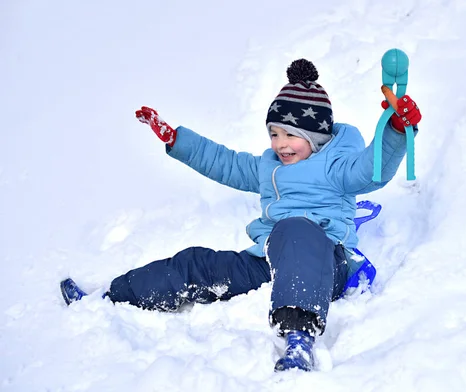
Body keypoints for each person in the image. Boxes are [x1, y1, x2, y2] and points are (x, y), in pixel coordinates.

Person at [60, 59, 421, 372]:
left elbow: (371, 171)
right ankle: (113, 298)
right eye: (274, 133)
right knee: (196, 263)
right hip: (270, 261)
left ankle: (299, 337)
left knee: (295, 228)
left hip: (324, 262)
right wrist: (176, 140)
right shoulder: (270, 166)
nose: (280, 143)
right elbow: (225, 163)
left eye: (291, 134)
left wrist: (395, 131)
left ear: (317, 135)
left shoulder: (338, 165)